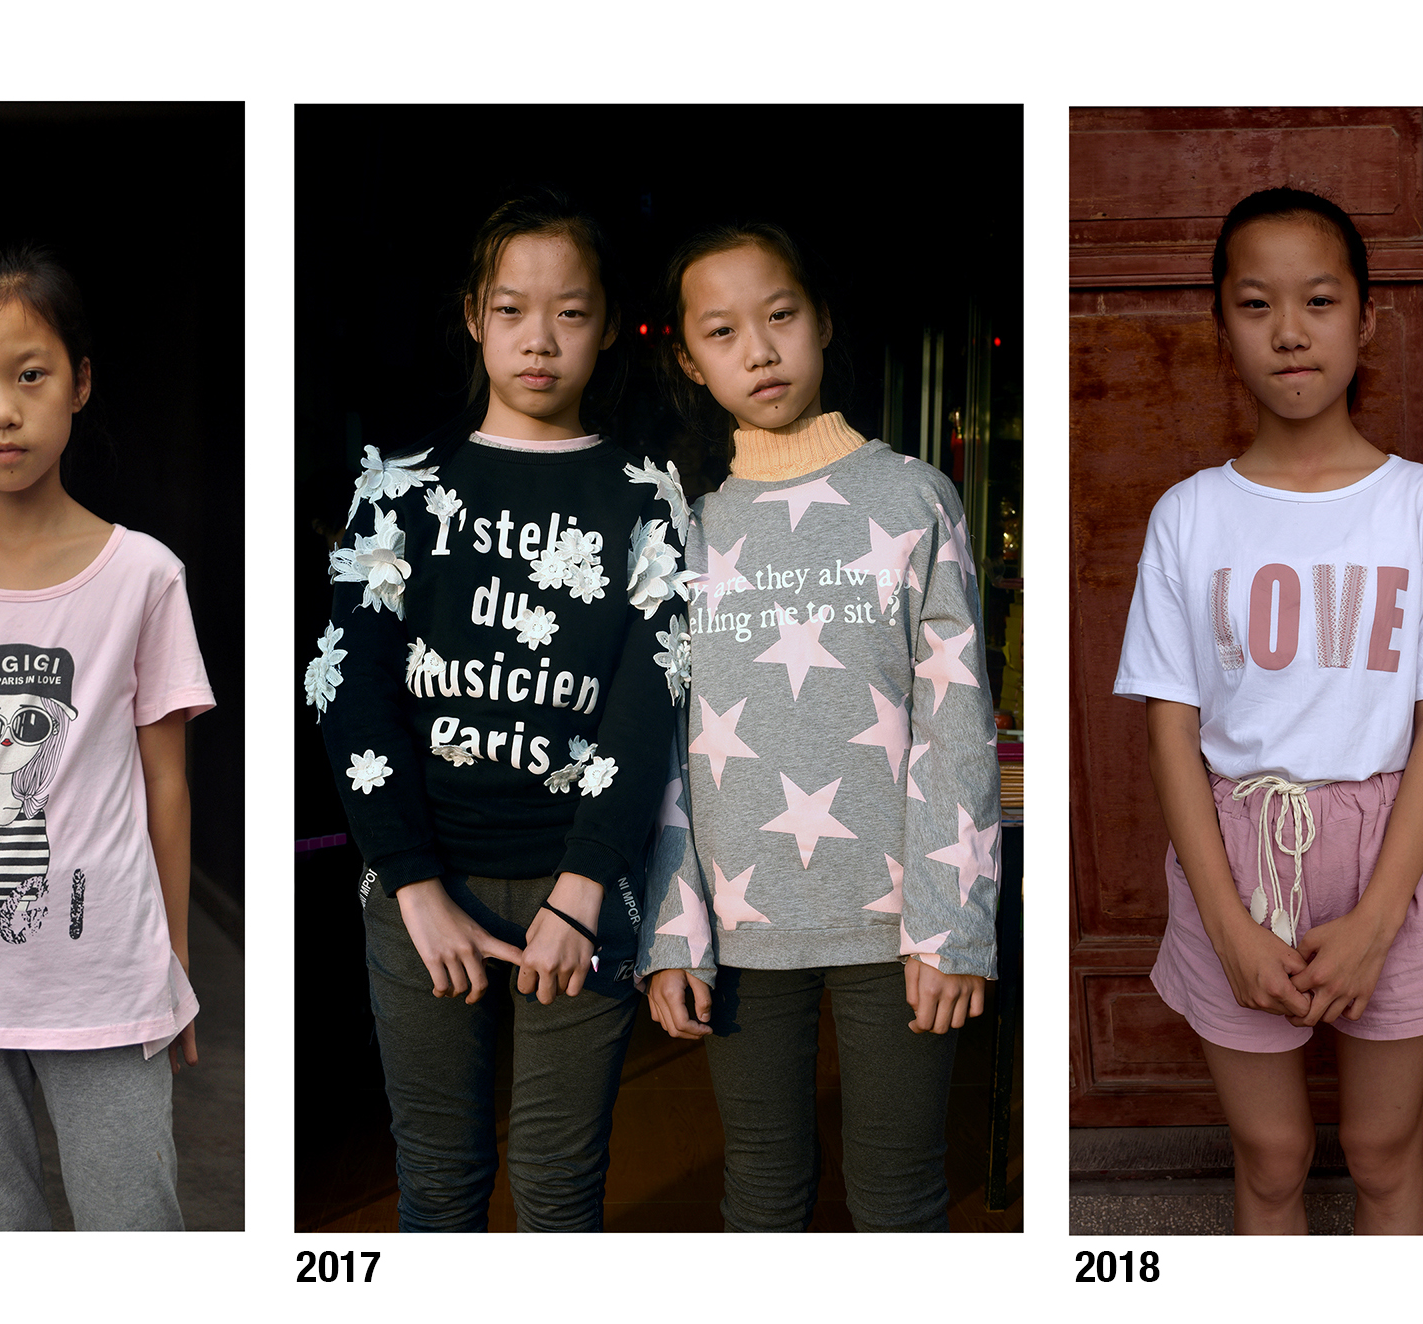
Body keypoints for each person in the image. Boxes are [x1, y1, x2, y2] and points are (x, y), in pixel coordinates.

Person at [1111, 188, 1423, 1234]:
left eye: (1320, 300)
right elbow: (1169, 730)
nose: (1290, 331)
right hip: (1236, 851)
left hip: (1393, 845)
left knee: (1383, 1148)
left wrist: (1381, 918)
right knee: (1274, 1153)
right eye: (1256, 304)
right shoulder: (1191, 514)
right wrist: (1232, 926)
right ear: (1221, 325)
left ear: (1366, 318)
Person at [312, 190, 684, 1231]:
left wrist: (583, 888)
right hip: (420, 890)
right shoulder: (401, 486)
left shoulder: (644, 494)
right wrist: (413, 883)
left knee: (563, 1191)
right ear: (475, 314)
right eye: (514, 308)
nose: (540, 338)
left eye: (570, 312)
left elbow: (651, 701)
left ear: (607, 325)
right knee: (439, 1182)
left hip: (579, 886)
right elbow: (348, 686)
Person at [637, 222, 999, 1232]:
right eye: (722, 332)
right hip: (741, 926)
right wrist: (672, 929)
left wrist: (955, 921)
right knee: (760, 1191)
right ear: (689, 358)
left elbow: (956, 717)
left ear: (823, 320)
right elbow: (662, 748)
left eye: (780, 316)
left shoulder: (914, 497)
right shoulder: (685, 531)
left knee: (899, 1195)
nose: (758, 350)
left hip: (902, 930)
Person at [0, 245, 214, 1230]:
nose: (2, 408)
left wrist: (175, 963)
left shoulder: (142, 576)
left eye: (31, 375)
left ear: (80, 381)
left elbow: (167, 784)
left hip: (107, 972)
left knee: (135, 1230)